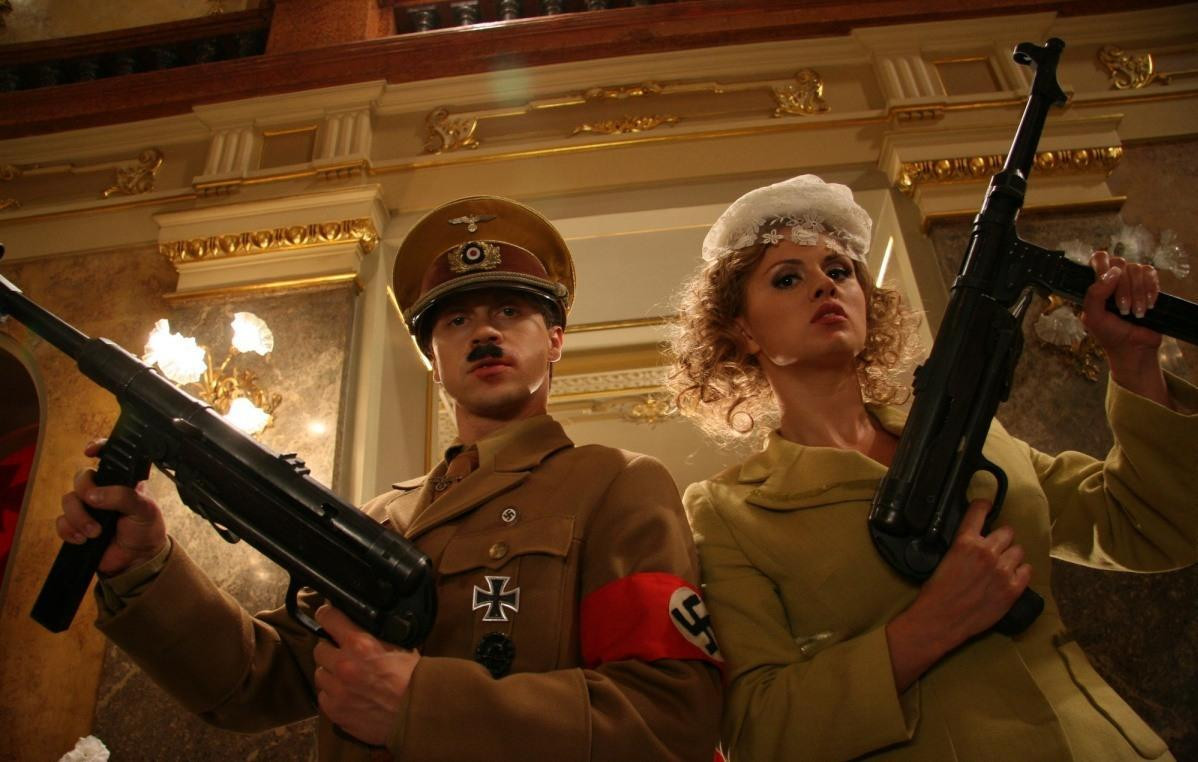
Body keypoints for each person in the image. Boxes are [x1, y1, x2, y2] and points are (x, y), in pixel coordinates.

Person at [58, 195, 723, 761]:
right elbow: (255, 680)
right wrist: (146, 565)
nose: (484, 333)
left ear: (555, 339)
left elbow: (670, 714)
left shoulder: (616, 484)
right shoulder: (380, 519)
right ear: (433, 358)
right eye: (456, 320)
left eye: (509, 311)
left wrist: (425, 705)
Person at [668, 174, 1197, 761]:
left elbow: (1148, 525)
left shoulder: (974, 435)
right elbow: (760, 731)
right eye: (787, 278)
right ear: (741, 329)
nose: (824, 284)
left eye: (840, 271)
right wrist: (928, 626)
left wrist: (1134, 361)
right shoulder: (730, 511)